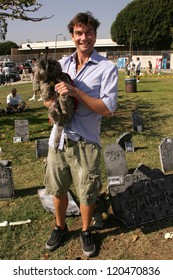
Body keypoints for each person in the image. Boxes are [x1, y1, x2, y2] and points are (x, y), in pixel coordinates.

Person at [44, 11, 118, 258]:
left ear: (95, 35)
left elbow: (107, 109)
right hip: (58, 139)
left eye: (88, 32)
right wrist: (53, 104)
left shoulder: (107, 68)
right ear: (72, 35)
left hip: (85, 141)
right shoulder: (61, 65)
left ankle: (86, 231)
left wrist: (75, 93)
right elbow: (48, 99)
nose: (83, 37)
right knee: (57, 188)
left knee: (87, 191)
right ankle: (60, 226)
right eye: (78, 33)